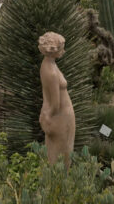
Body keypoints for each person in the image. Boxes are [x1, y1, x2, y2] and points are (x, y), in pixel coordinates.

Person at [39, 31, 75, 167]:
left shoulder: (47, 64)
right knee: (62, 154)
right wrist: (49, 115)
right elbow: (55, 103)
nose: (63, 51)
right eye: (61, 48)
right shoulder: (51, 72)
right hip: (61, 116)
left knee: (57, 152)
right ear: (53, 50)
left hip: (61, 114)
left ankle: (57, 183)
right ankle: (60, 184)